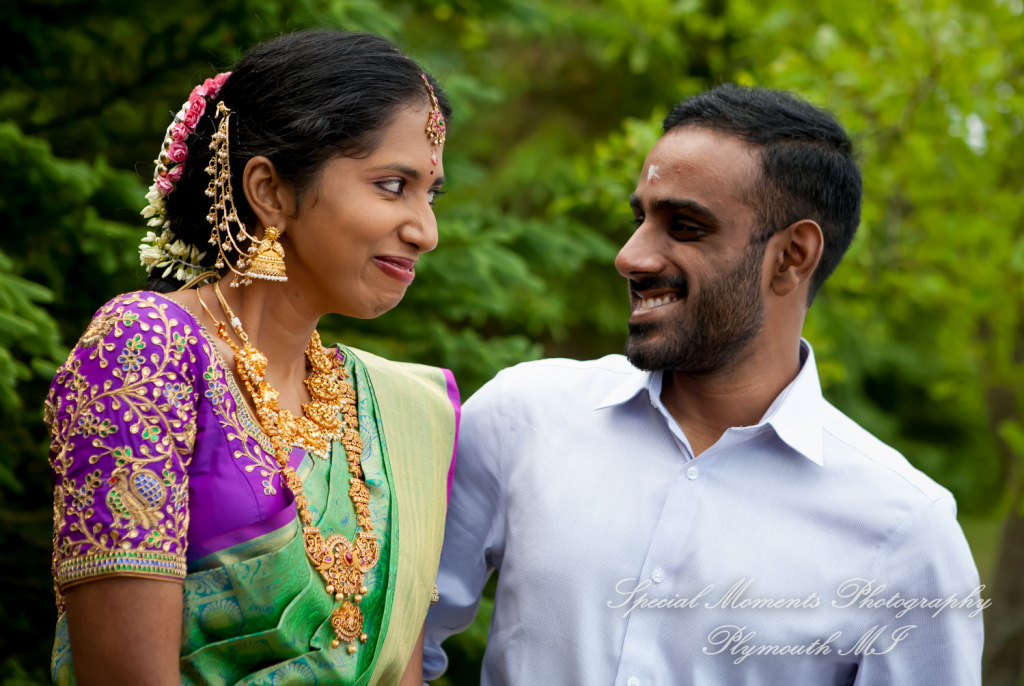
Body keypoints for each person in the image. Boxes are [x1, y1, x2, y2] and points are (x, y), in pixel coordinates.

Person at [424, 85, 984, 685]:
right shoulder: (522, 417)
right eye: (640, 217)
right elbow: (390, 646)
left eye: (685, 226)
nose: (630, 257)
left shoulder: (902, 530)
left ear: (792, 256)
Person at [45, 30, 459, 685]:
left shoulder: (399, 410)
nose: (425, 231)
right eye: (391, 185)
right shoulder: (147, 348)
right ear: (269, 190)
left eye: (430, 193)